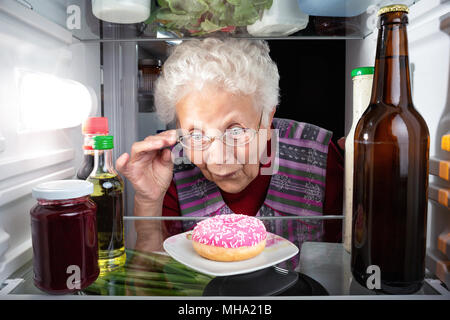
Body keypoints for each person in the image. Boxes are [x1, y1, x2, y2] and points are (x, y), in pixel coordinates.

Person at [116, 38, 343, 268]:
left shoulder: (321, 157)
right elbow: (150, 283)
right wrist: (148, 201)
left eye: (235, 131)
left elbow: (342, 265)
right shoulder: (170, 168)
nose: (217, 159)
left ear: (266, 120)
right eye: (195, 135)